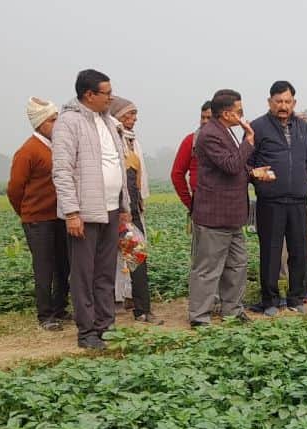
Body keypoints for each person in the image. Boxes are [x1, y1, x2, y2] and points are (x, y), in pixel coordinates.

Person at [51, 69, 131, 350]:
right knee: (84, 274)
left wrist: (124, 205)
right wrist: (72, 213)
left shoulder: (108, 121)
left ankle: (105, 324)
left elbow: (118, 165)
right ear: (89, 95)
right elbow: (61, 170)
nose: (111, 98)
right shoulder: (69, 122)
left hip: (111, 209)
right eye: (106, 93)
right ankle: (87, 331)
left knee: (106, 272)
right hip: (85, 212)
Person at [188, 89, 274, 327]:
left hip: (233, 215)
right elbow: (231, 165)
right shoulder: (210, 134)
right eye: (239, 111)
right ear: (226, 114)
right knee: (208, 269)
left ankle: (232, 310)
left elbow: (234, 168)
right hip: (214, 215)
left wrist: (253, 172)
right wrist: (249, 141)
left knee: (237, 264)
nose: (242, 115)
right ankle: (199, 317)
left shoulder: (226, 131)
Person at [247, 80, 307, 316]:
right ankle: (270, 300)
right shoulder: (257, 127)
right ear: (270, 102)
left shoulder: (303, 127)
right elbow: (248, 164)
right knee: (270, 251)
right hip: (270, 200)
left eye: (287, 101)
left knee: (299, 250)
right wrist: (258, 179)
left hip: (298, 199)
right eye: (278, 101)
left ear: (294, 103)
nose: (283, 106)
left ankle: (297, 297)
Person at [7, 97, 70, 331]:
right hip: (37, 219)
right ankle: (45, 315)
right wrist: (25, 212)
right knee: (44, 267)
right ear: (41, 123)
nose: (58, 124)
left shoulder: (58, 146)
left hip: (61, 216)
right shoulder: (28, 151)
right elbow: (14, 189)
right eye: (53, 120)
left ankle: (60, 308)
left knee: (64, 264)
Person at [110, 96, 162, 324]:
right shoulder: (111, 140)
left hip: (131, 210)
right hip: (112, 209)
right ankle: (108, 306)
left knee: (137, 257)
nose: (133, 119)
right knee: (106, 260)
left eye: (134, 115)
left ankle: (142, 309)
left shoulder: (132, 142)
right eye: (128, 115)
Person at [170, 100, 212, 213]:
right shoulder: (191, 141)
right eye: (202, 117)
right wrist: (190, 203)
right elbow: (177, 174)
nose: (204, 121)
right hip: (200, 201)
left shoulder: (228, 141)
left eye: (209, 118)